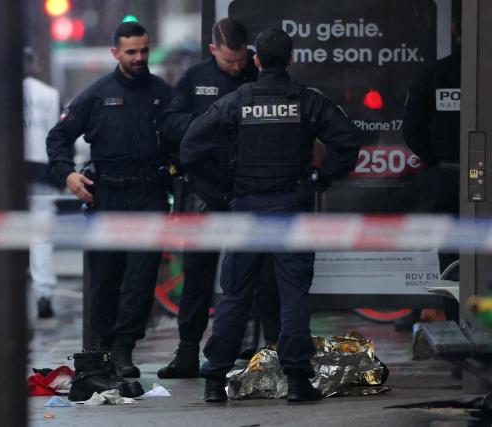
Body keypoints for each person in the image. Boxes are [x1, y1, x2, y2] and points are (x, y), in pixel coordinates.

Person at [180, 28, 361, 403]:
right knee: (293, 294)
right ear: (291, 59)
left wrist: (226, 185)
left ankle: (215, 379)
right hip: (290, 208)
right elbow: (347, 140)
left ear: (256, 60)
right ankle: (297, 380)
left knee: (234, 294)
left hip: (246, 209)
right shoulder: (306, 101)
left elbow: (191, 145)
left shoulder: (238, 100)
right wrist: (321, 178)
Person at [47, 22, 173, 378]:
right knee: (105, 279)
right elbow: (58, 138)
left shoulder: (163, 94)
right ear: (115, 53)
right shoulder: (96, 94)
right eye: (131, 52)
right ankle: (101, 351)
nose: (139, 58)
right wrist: (68, 175)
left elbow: (185, 141)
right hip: (108, 198)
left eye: (144, 51)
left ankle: (123, 349)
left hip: (149, 196)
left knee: (140, 280)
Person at [159, 17, 279, 379]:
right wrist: (209, 125)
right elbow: (171, 125)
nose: (237, 65)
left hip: (249, 190)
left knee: (255, 277)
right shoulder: (195, 78)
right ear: (213, 50)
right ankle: (186, 351)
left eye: (242, 58)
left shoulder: (259, 71)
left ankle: (253, 347)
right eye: (228, 61)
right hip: (205, 192)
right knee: (197, 276)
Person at [403, 17, 461, 323]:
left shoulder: (433, 75)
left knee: (452, 262)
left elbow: (412, 129)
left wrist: (438, 161)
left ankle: (456, 325)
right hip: (463, 178)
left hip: (447, 179)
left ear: (454, 29)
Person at [22, 47, 62, 319]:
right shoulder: (50, 94)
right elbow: (57, 135)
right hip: (43, 169)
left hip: (10, 171)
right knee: (41, 238)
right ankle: (44, 292)